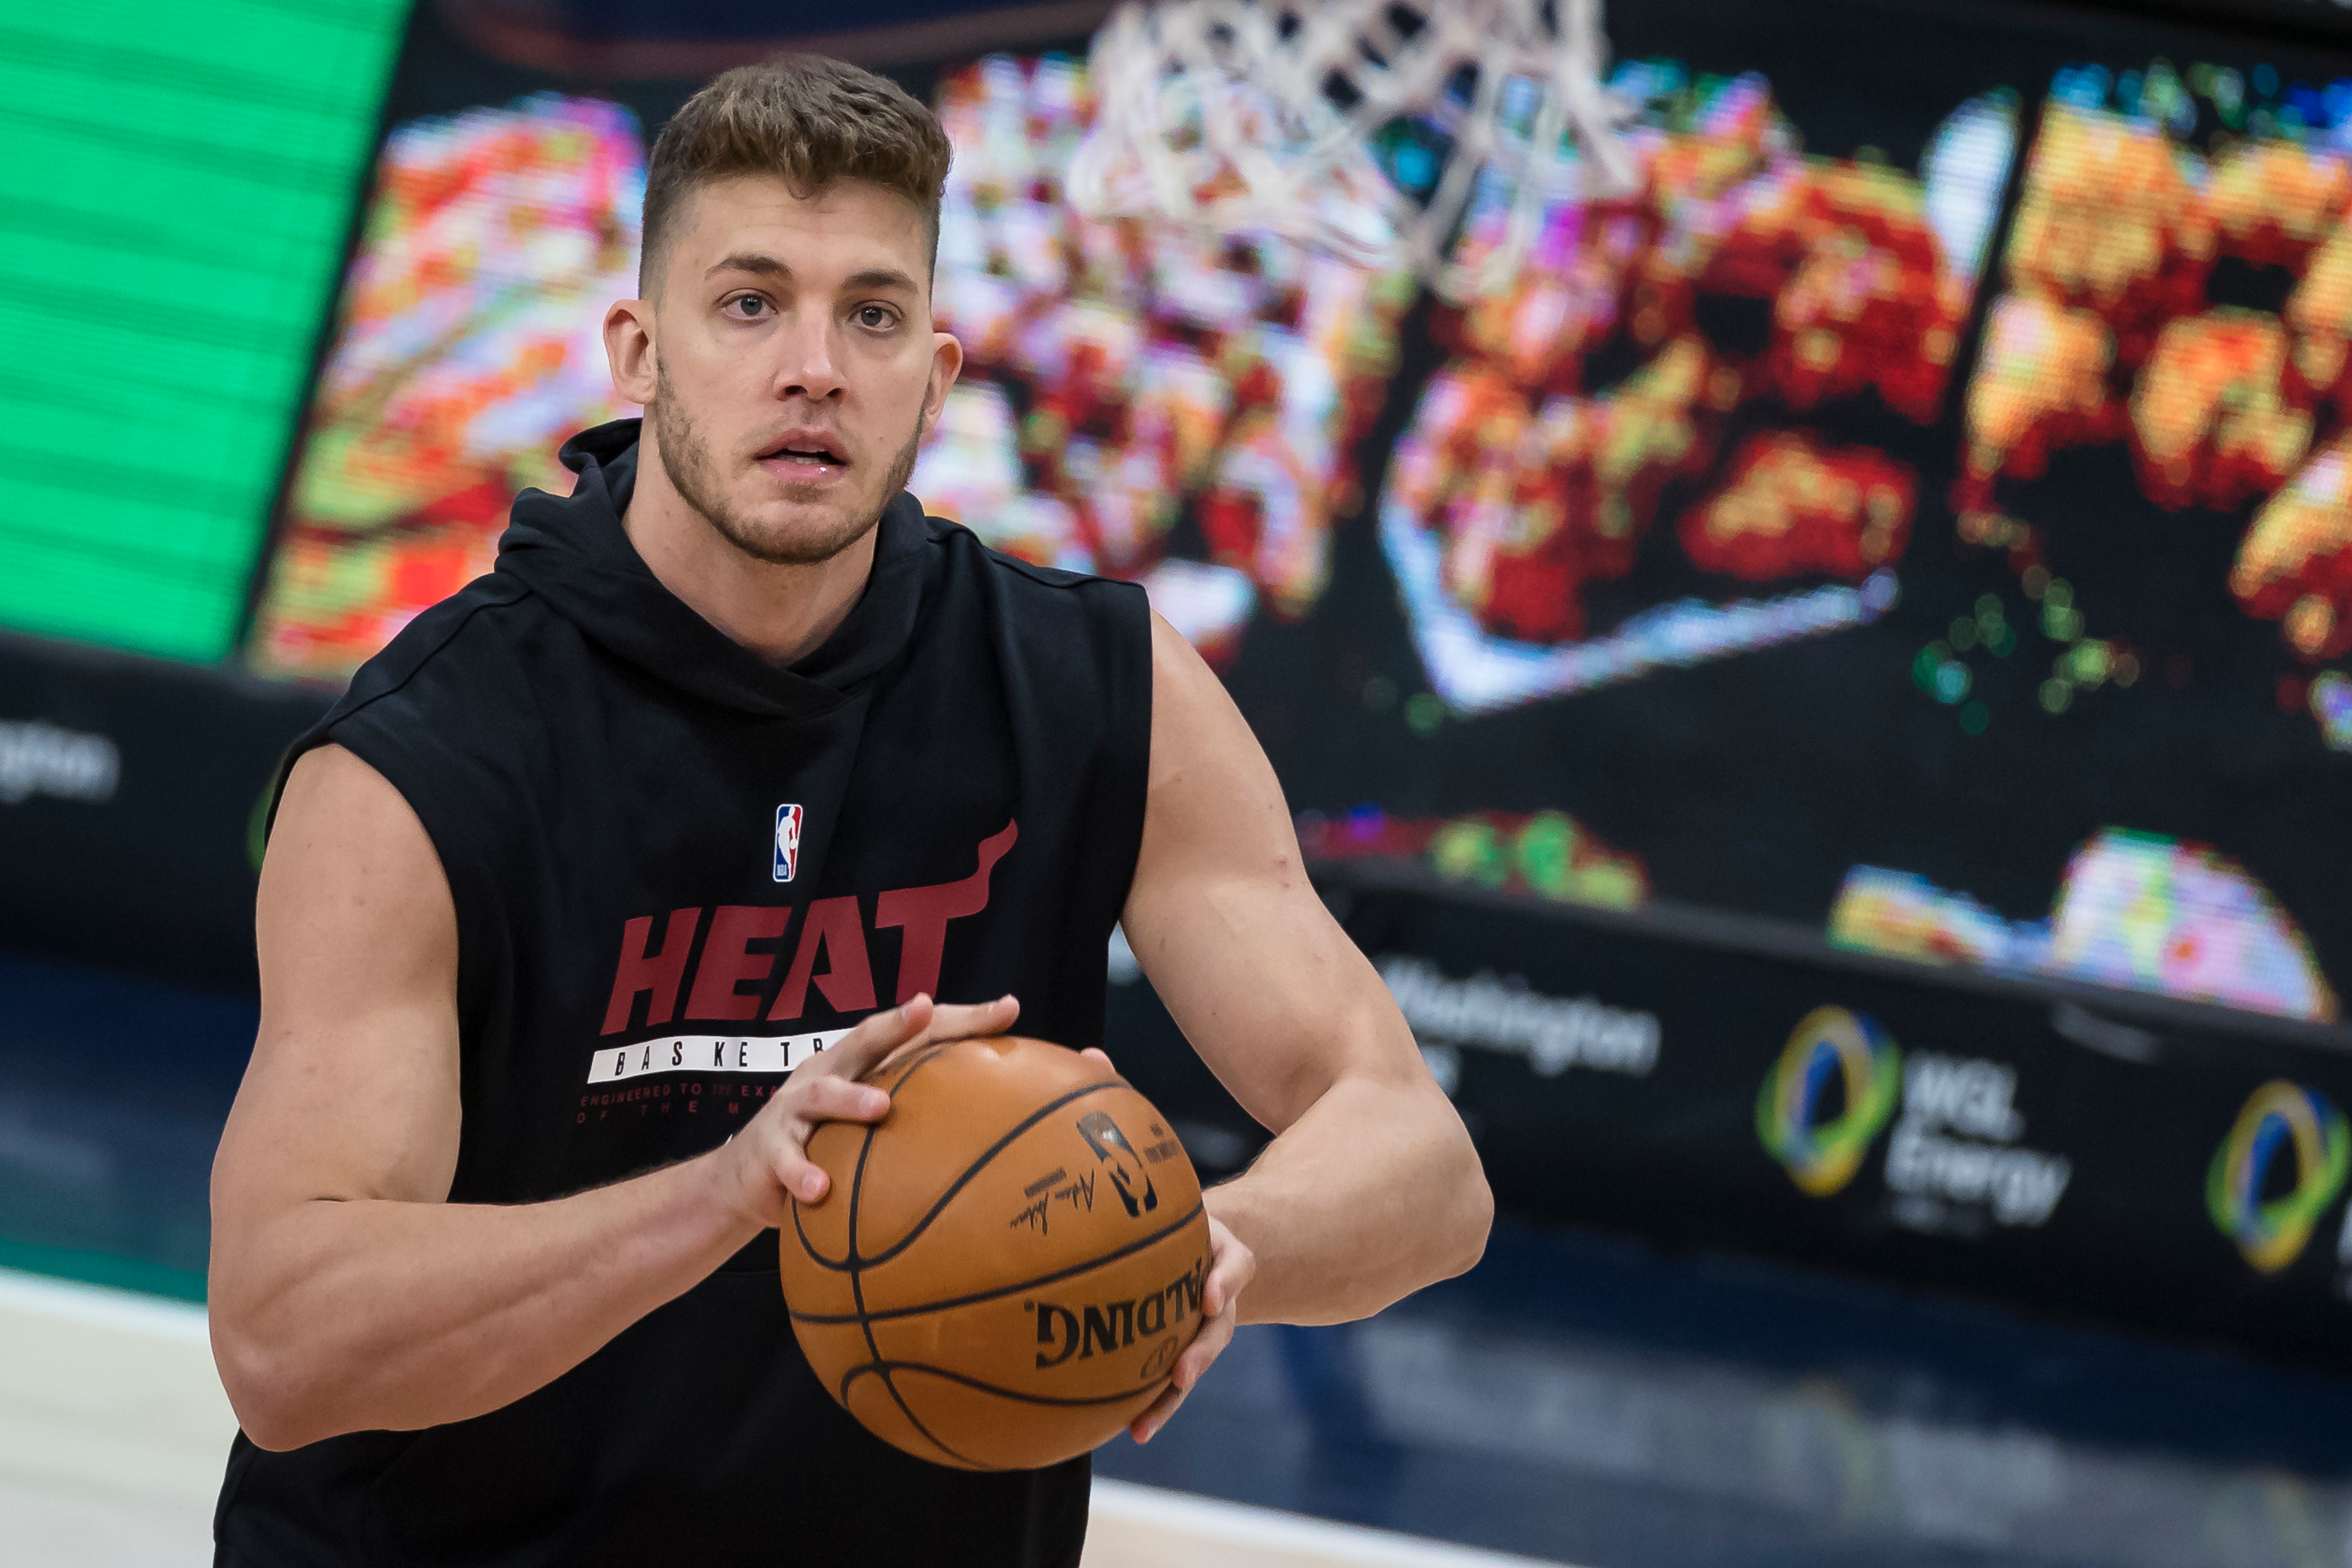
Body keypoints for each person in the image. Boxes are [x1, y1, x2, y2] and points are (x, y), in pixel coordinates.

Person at [208, 54, 1491, 1567]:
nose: (813, 365)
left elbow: (1421, 1162)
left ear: (936, 377)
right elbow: (287, 1343)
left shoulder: (1093, 681)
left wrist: (1189, 1255)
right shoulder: (425, 760)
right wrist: (733, 1193)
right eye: (749, 303)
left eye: (871, 316)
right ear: (639, 354)